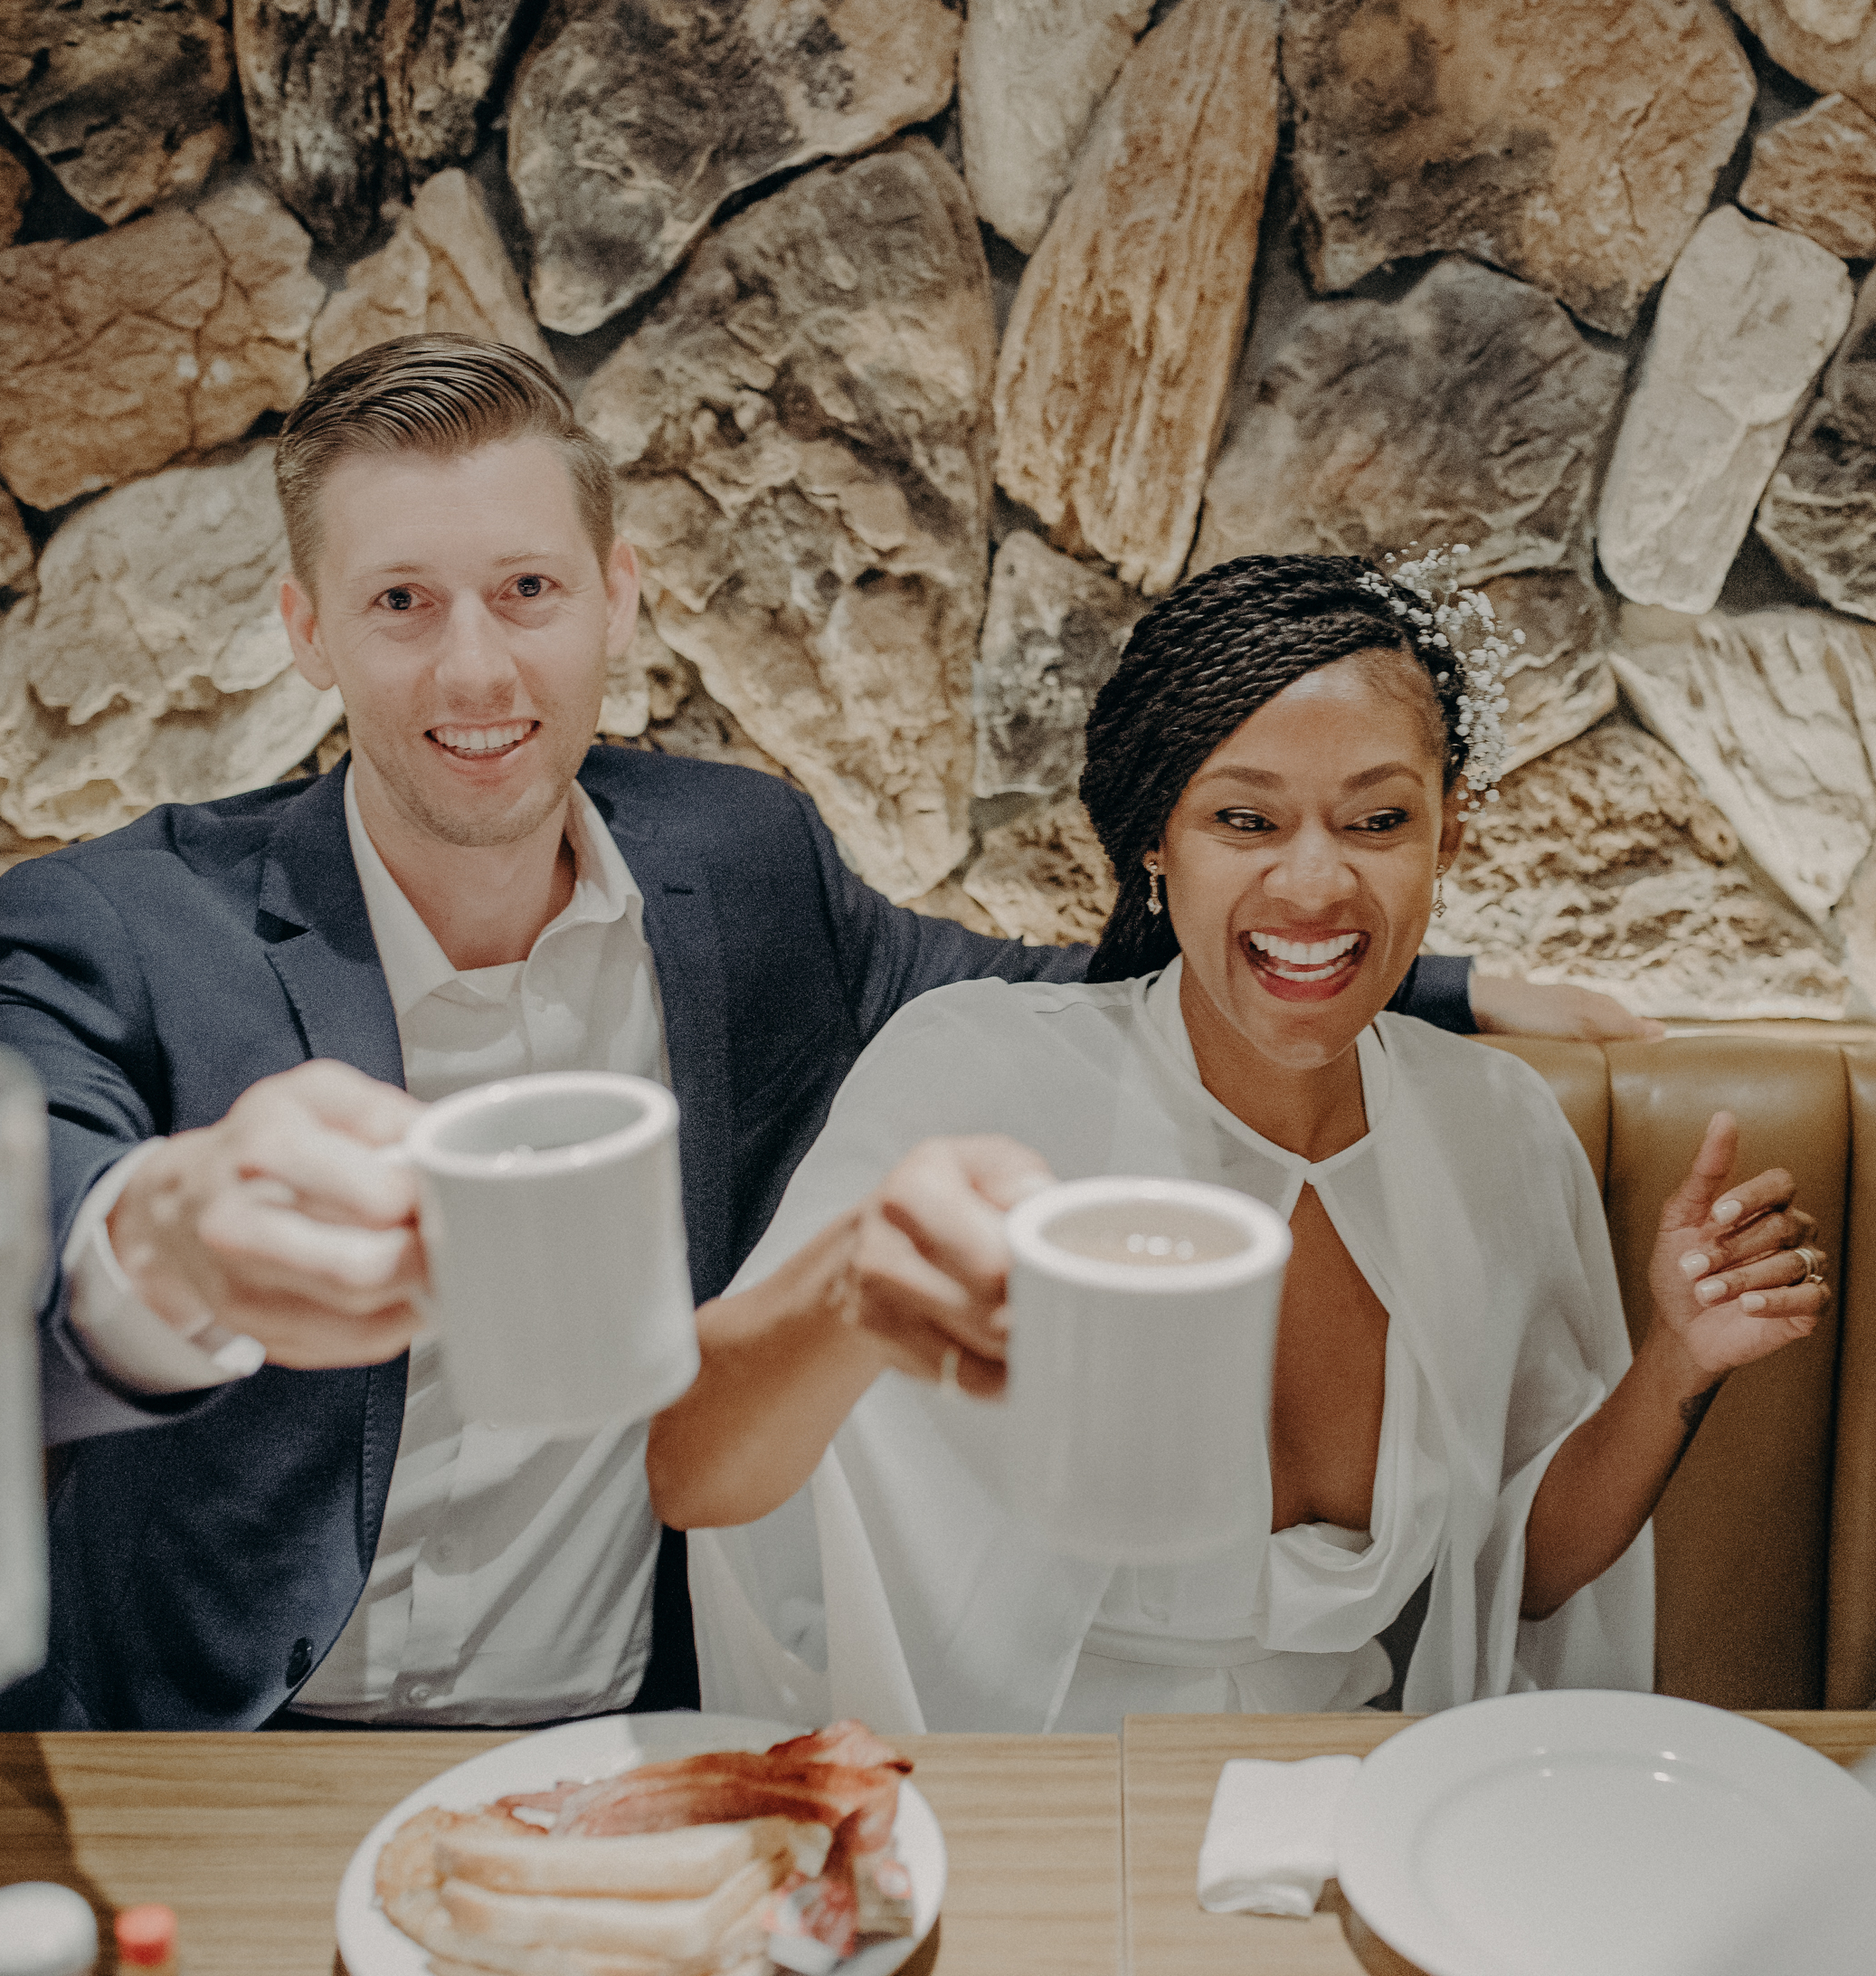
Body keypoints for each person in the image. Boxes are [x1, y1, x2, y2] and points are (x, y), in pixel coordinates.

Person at [0, 337, 1654, 1733]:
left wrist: (1404, 978)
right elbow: (1, 1271)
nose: (475, 670)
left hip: (638, 1737)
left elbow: (1037, 971)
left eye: (526, 586)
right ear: (308, 626)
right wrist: (161, 1241)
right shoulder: (117, 924)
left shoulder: (734, 865)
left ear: (616, 598)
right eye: (401, 602)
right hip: (211, 1753)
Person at [654, 554, 1828, 1731]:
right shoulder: (974, 1072)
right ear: (1158, 841)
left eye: (1377, 819)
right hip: (1014, 1797)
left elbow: (1526, 1564)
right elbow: (696, 1476)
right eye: (1244, 819)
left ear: (1447, 832)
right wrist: (849, 1281)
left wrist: (1680, 1357)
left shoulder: (1500, 1131)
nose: (1315, 881)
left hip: (1347, 1809)